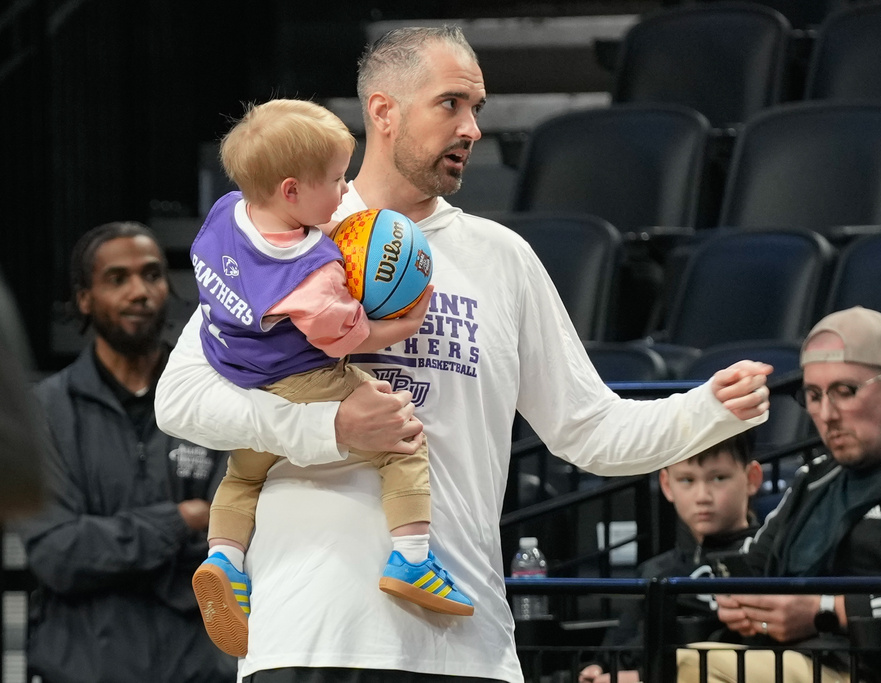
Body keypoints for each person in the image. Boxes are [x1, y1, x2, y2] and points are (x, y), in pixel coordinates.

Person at [155, 25, 773, 683]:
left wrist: (707, 408)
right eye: (451, 103)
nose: (473, 128)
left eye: (477, 108)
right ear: (383, 111)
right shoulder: (286, 235)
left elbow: (590, 431)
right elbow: (181, 399)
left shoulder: (502, 259)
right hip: (312, 637)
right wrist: (328, 428)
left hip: (466, 645)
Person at [189, 98, 470, 660]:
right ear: (291, 191)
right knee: (401, 438)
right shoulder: (311, 272)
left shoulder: (227, 212)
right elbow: (346, 339)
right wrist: (405, 322)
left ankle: (223, 557)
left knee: (242, 478)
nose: (345, 192)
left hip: (236, 369)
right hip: (300, 377)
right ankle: (413, 559)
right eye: (337, 180)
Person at [676, 306, 881, 683]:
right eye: (813, 395)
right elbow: (745, 566)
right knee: (662, 654)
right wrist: (729, 603)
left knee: (693, 664)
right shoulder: (815, 479)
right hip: (796, 658)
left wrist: (825, 610)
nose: (826, 414)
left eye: (845, 391)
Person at [15, 222, 236, 683]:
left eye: (152, 275)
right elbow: (57, 554)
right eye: (118, 279)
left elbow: (234, 535)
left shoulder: (211, 395)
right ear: (84, 299)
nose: (140, 292)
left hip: (196, 669)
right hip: (82, 669)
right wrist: (180, 520)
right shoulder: (46, 410)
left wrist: (110, 545)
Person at [579, 434, 764, 683]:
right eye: (686, 480)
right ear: (667, 485)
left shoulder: (765, 559)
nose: (702, 496)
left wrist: (644, 678)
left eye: (719, 478)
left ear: (751, 479)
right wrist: (598, 668)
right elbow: (620, 642)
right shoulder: (655, 570)